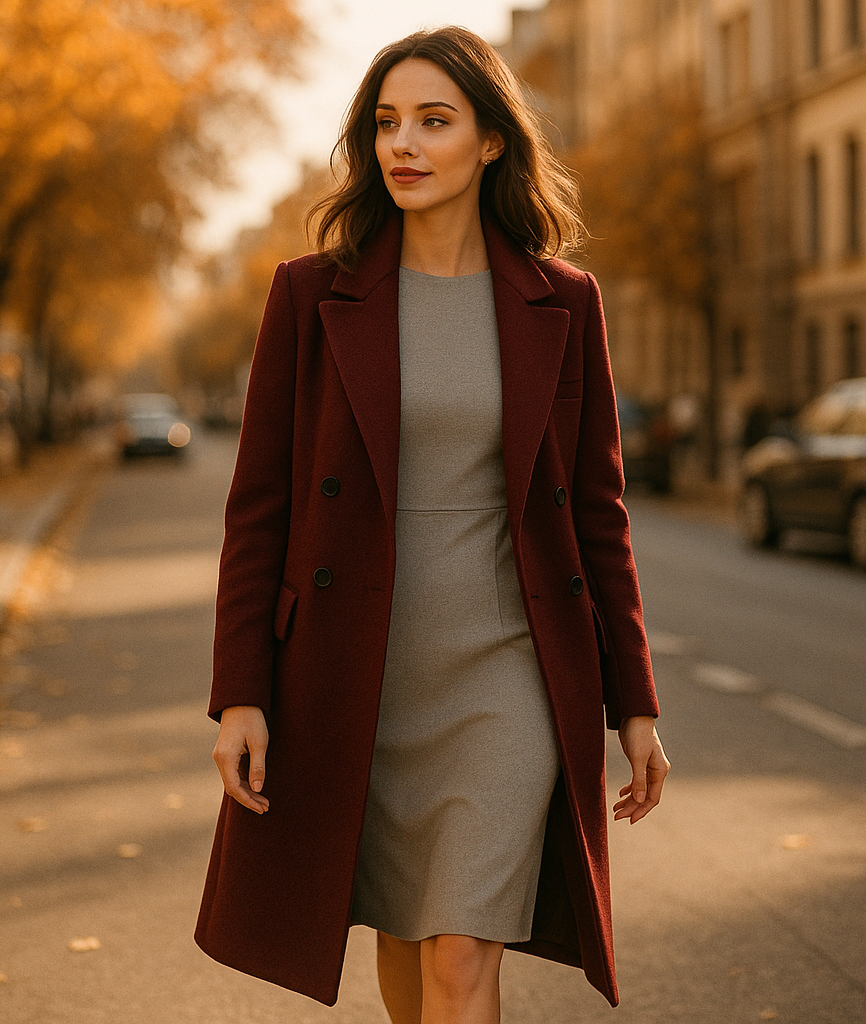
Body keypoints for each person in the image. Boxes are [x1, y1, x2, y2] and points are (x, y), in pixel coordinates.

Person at [196, 26, 669, 1024]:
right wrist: (241, 693)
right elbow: (260, 510)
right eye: (386, 123)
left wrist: (634, 702)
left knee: (462, 952)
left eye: (433, 121)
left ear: (491, 141)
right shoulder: (311, 295)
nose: (402, 144)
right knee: (410, 945)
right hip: (357, 672)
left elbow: (598, 515)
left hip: (508, 674)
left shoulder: (564, 304)